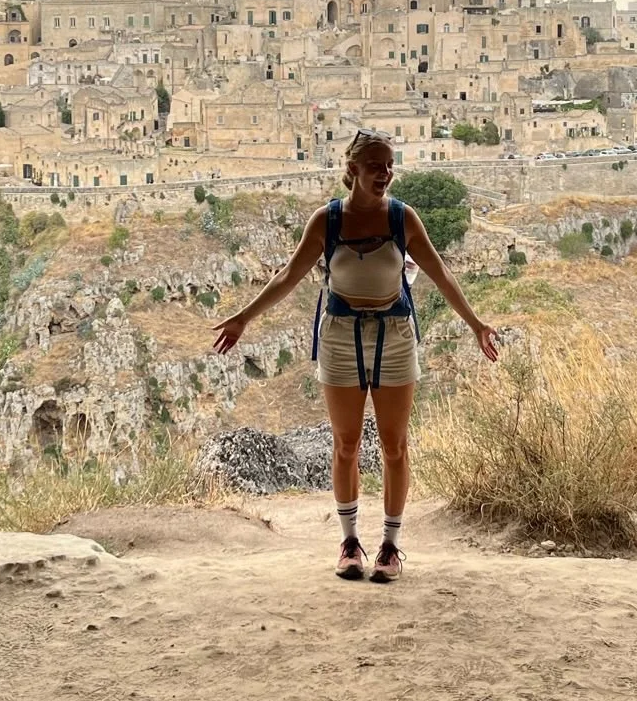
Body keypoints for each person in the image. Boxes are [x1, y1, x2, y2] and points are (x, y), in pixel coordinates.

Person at [212, 131, 500, 583]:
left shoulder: (403, 218)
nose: (384, 173)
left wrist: (476, 324)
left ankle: (389, 547)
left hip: (396, 335)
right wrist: (243, 318)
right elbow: (289, 274)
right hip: (342, 336)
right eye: (375, 166)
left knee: (395, 445)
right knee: (345, 443)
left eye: (389, 165)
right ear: (352, 170)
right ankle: (349, 543)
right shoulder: (326, 222)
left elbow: (439, 271)